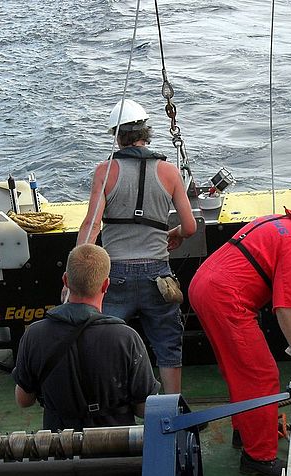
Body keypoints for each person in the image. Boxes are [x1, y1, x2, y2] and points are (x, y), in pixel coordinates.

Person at [188, 198, 291, 476]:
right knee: (261, 375)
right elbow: (285, 308)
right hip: (226, 299)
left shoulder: (279, 222)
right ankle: (259, 457)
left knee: (238, 369)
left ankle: (247, 431)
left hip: (204, 286)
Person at [13, 244, 159, 476]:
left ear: (66, 281)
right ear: (106, 285)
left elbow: (23, 399)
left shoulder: (34, 335)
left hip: (64, 463)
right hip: (118, 460)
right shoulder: (126, 338)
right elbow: (144, 408)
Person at [75, 99, 197, 394]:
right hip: (159, 275)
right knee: (168, 346)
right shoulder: (169, 171)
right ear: (147, 131)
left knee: (105, 342)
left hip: (113, 274)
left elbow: (91, 226)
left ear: (117, 136)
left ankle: (112, 405)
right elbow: (191, 227)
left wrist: (74, 277)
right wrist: (176, 232)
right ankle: (172, 410)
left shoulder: (105, 171)